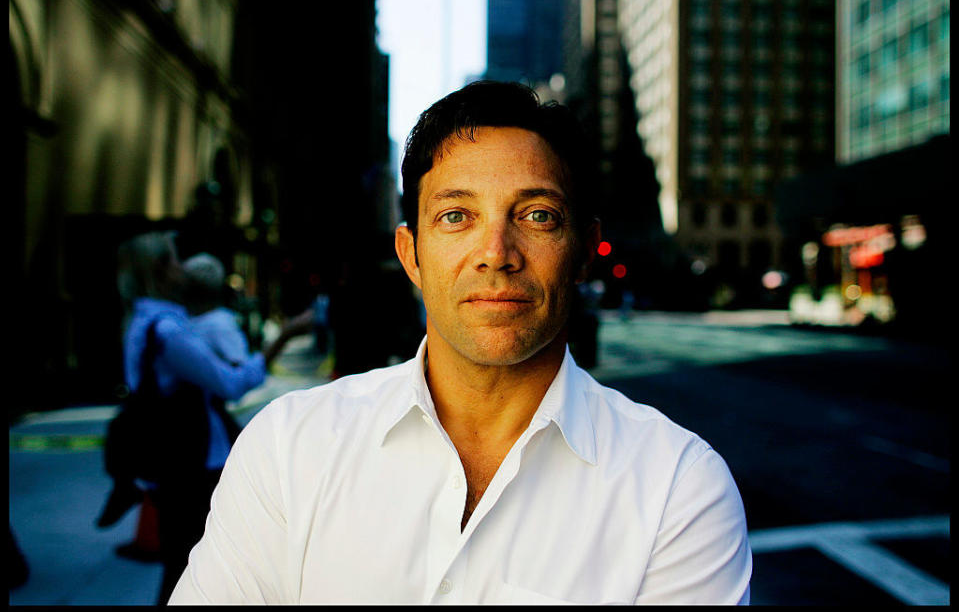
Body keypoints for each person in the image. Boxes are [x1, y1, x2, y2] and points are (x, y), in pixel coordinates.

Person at [168, 81, 752, 604]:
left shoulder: (679, 488)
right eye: (455, 216)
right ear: (410, 254)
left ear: (583, 251)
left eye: (538, 215)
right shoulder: (288, 448)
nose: (496, 251)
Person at [107, 231, 310, 605]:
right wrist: (282, 338)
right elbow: (230, 383)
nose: (182, 265)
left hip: (174, 463)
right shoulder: (168, 332)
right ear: (160, 270)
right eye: (173, 258)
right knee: (193, 569)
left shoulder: (147, 322)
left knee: (186, 565)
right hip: (191, 465)